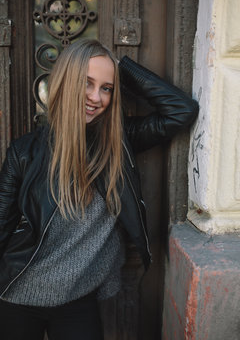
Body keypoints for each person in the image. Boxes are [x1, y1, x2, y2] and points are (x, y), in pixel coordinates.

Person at [0, 39, 199, 340]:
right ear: (67, 81)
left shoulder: (118, 144)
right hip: (19, 293)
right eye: (87, 83)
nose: (96, 97)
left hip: (78, 297)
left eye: (106, 88)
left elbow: (181, 110)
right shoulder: (24, 153)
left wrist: (120, 67)